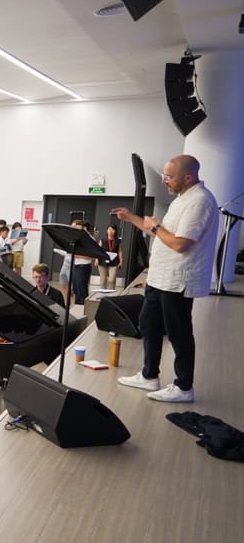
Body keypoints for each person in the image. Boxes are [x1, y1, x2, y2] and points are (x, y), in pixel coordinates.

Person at [114, 154, 218, 403]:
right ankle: (149, 375)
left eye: (169, 177)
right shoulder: (182, 199)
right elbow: (157, 230)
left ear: (188, 177)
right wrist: (132, 218)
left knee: (179, 333)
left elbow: (180, 243)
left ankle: (184, 387)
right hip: (159, 277)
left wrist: (157, 227)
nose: (163, 181)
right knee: (148, 325)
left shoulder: (200, 202)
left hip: (178, 279)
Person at [97, 224, 122, 290]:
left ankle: (111, 294)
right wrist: (97, 259)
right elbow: (98, 250)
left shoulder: (118, 241)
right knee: (103, 280)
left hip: (114, 261)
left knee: (112, 280)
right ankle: (102, 295)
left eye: (112, 229)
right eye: (109, 229)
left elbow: (119, 251)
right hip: (102, 261)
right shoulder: (103, 240)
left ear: (115, 231)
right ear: (107, 231)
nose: (110, 231)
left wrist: (121, 261)